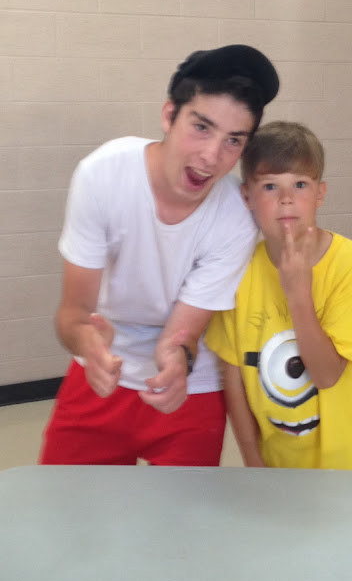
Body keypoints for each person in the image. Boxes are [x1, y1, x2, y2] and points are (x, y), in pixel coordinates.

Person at [39, 45, 280, 466]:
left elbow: (183, 335)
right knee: (61, 503)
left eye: (233, 141)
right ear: (169, 116)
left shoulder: (235, 217)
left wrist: (177, 360)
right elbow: (72, 315)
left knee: (183, 510)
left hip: (189, 386)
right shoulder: (103, 174)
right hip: (102, 370)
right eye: (201, 127)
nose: (211, 156)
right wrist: (87, 342)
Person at [205, 121, 352, 470]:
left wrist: (298, 294)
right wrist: (253, 459)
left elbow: (327, 375)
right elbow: (234, 376)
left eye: (300, 184)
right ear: (247, 197)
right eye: (270, 186)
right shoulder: (237, 270)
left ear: (320, 194)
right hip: (274, 463)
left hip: (341, 469)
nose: (286, 199)